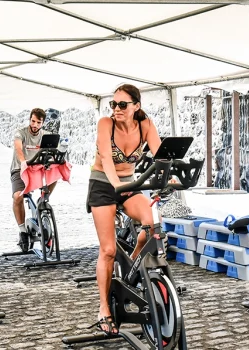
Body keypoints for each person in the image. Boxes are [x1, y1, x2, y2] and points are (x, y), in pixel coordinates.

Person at [86, 84, 164, 335]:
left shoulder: (145, 125)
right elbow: (107, 159)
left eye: (122, 105)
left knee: (152, 224)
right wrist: (116, 184)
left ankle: (131, 268)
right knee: (108, 250)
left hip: (129, 183)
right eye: (113, 104)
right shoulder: (105, 124)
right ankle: (104, 308)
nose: (116, 109)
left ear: (136, 106)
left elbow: (161, 154)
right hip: (102, 184)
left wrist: (169, 175)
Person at [10, 108, 56, 252]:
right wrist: (23, 161)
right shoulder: (21, 132)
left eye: (38, 122)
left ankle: (43, 197)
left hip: (37, 168)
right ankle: (22, 230)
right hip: (20, 168)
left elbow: (53, 150)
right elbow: (18, 147)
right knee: (17, 197)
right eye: (33, 121)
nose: (35, 125)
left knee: (56, 171)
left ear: (43, 123)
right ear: (30, 120)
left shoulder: (46, 135)